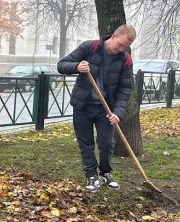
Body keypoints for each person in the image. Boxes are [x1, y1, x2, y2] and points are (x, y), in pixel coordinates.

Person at [57, 24, 136, 192]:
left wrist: (118, 113)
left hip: (106, 109)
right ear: (113, 36)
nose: (121, 49)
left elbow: (125, 89)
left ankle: (106, 173)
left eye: (125, 47)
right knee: (86, 143)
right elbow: (62, 65)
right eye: (120, 44)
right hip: (83, 106)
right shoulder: (90, 47)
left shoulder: (125, 59)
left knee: (107, 143)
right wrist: (76, 67)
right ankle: (91, 175)